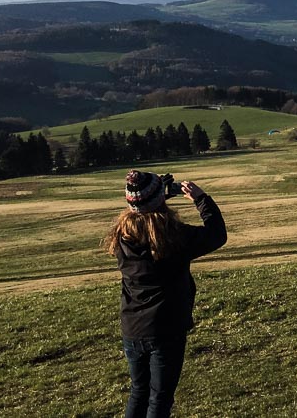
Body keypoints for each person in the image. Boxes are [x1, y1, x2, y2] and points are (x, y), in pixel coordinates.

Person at [103, 170, 227, 417]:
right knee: (159, 398)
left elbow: (142, 213)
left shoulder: (121, 236)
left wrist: (156, 197)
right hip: (166, 328)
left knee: (138, 392)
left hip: (132, 327)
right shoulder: (173, 236)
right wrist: (201, 199)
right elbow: (216, 235)